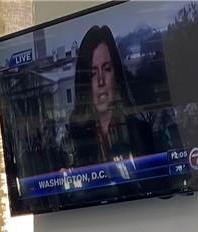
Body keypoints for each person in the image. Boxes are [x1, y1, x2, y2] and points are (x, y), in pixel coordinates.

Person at [68, 25, 159, 174]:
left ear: (116, 76)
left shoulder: (141, 132)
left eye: (107, 69)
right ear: (85, 83)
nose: (101, 81)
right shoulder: (75, 141)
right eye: (93, 74)